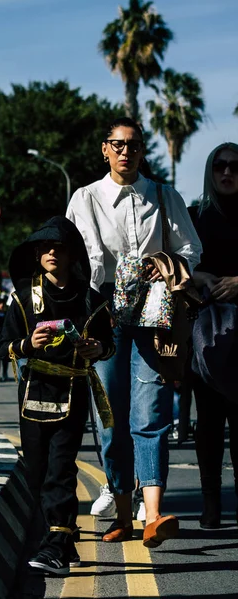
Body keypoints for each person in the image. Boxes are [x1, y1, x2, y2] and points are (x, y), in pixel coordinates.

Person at [66, 116, 202, 547]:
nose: (127, 152)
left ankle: (155, 514)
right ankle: (123, 514)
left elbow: (190, 249)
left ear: (143, 152)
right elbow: (68, 257)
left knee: (151, 413)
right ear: (104, 149)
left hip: (153, 310)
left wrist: (162, 266)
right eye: (118, 145)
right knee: (111, 418)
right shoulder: (84, 198)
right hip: (102, 313)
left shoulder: (163, 196)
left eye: (135, 146)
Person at [0, 216, 114, 575]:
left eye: (58, 247)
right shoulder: (21, 296)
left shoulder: (91, 299)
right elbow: (2, 347)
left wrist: (98, 349)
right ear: (36, 254)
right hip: (32, 394)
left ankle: (56, 548)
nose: (51, 252)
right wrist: (26, 344)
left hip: (74, 392)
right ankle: (66, 537)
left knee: (61, 469)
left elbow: (108, 345)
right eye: (44, 247)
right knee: (37, 471)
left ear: (71, 254)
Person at [190, 142, 238, 529]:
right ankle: (210, 503)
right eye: (219, 166)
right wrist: (197, 276)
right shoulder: (195, 216)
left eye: (235, 167)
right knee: (207, 422)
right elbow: (175, 262)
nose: (227, 172)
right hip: (206, 337)